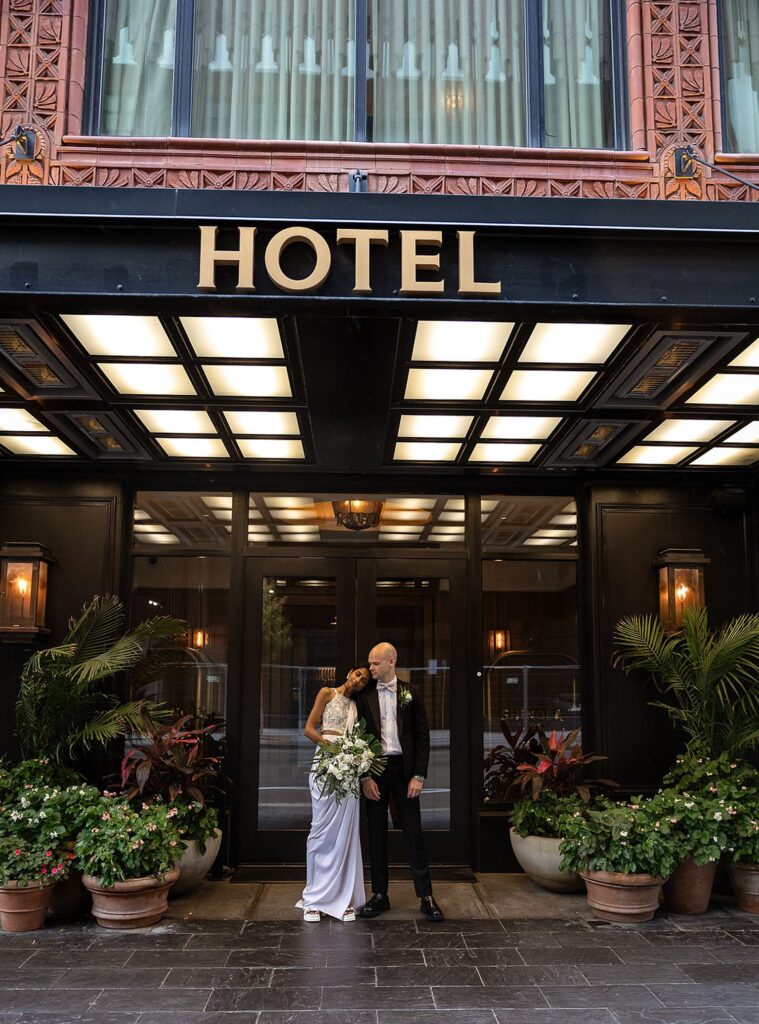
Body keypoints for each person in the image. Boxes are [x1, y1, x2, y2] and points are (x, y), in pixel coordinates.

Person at [355, 642, 444, 922]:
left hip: (404, 771)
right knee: (376, 834)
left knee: (413, 834)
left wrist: (419, 775)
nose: (370, 668)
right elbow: (356, 739)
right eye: (370, 663)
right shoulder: (364, 695)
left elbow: (422, 736)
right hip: (376, 770)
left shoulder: (411, 692)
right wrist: (365, 776)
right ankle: (380, 894)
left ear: (391, 661)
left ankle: (426, 895)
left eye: (375, 663)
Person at [296, 666, 370, 923]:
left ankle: (343, 896)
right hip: (326, 761)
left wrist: (350, 755)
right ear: (350, 672)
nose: (359, 680)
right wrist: (332, 749)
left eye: (364, 680)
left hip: (348, 767)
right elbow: (309, 729)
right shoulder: (327, 693)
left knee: (345, 833)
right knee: (321, 829)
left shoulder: (356, 707)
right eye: (358, 674)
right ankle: (313, 898)